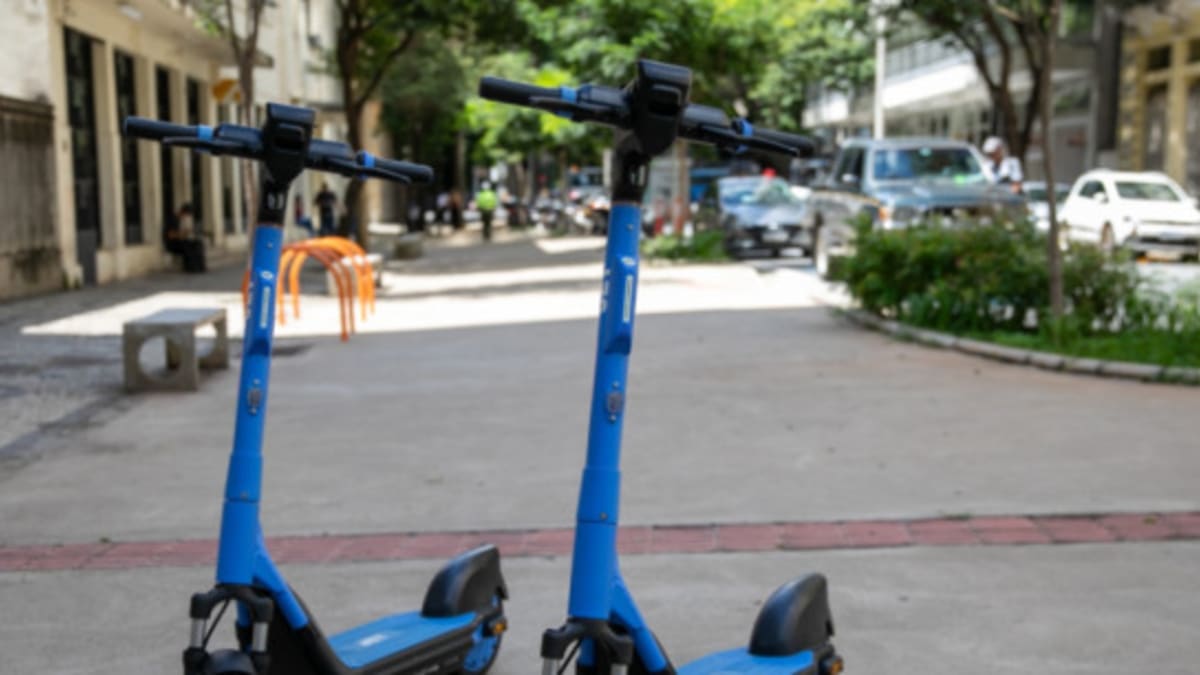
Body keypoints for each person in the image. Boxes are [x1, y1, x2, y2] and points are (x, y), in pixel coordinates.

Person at [165, 203, 206, 273]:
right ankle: (191, 267)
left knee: (198, 243)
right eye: (186, 215)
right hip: (172, 243)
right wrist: (183, 233)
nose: (186, 217)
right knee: (188, 246)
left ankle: (200, 266)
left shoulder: (181, 220)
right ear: (182, 212)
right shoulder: (172, 220)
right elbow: (171, 235)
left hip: (181, 240)